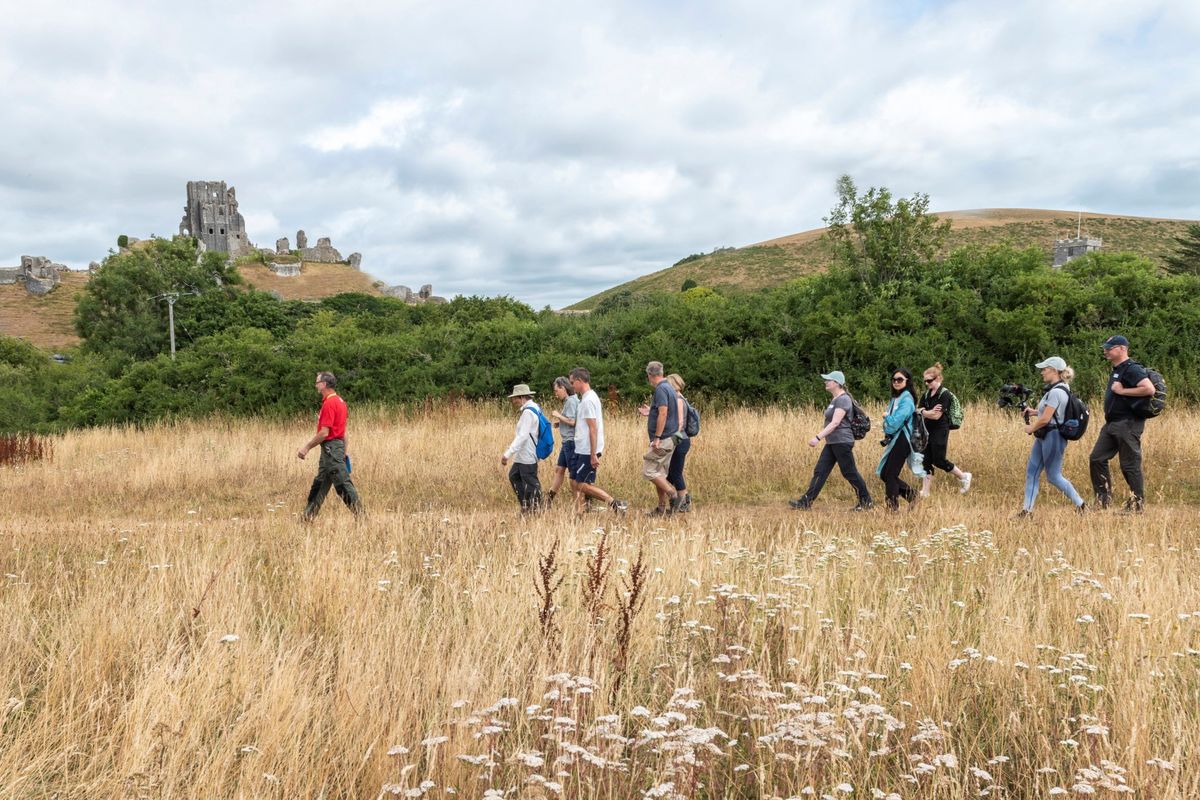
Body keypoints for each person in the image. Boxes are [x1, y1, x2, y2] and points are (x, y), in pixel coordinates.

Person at [789, 371, 874, 511]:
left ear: (836, 383)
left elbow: (835, 423)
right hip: (833, 442)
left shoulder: (843, 399)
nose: (825, 382)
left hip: (842, 441)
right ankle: (806, 502)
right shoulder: (835, 400)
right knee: (820, 471)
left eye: (828, 380)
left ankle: (866, 502)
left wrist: (817, 437)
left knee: (849, 472)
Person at [1089, 335, 1155, 513]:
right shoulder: (1117, 369)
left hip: (1128, 423)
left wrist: (1122, 390)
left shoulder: (1132, 369)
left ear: (1122, 349)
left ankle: (1136, 505)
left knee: (1129, 464)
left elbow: (1149, 389)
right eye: (1106, 348)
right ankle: (1102, 501)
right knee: (1097, 458)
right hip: (1112, 423)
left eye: (1109, 348)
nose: (1106, 350)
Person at [1016, 357, 1088, 517]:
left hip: (1052, 436)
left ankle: (1081, 505)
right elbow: (1051, 413)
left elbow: (1046, 419)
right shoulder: (1061, 388)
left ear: (1054, 371)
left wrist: (1030, 428)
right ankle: (1026, 511)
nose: (1042, 372)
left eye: (1045, 369)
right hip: (1045, 435)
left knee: (1054, 476)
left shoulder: (1055, 392)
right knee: (1032, 472)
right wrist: (1033, 412)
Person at [297, 371, 362, 521]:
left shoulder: (329, 403)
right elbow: (344, 432)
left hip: (331, 448)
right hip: (334, 448)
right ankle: (307, 517)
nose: (316, 385)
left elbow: (324, 433)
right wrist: (344, 451)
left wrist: (306, 448)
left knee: (342, 484)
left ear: (324, 384)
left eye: (317, 382)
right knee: (320, 483)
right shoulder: (340, 402)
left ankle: (362, 518)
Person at [568, 367, 628, 516]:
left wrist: (593, 454)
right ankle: (579, 513)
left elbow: (593, 429)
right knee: (574, 482)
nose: (571, 386)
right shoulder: (588, 397)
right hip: (581, 448)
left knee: (582, 484)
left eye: (572, 382)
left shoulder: (588, 401)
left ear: (579, 381)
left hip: (588, 450)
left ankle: (615, 503)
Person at [918, 362, 972, 496]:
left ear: (937, 378)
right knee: (926, 460)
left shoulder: (945, 394)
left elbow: (936, 416)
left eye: (929, 381)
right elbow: (917, 409)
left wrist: (924, 412)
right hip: (927, 429)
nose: (927, 384)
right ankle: (925, 491)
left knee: (939, 460)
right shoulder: (926, 395)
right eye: (925, 381)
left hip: (940, 429)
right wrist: (926, 412)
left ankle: (964, 476)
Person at [638, 361, 683, 515]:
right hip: (672, 437)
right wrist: (651, 412)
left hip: (663, 438)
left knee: (649, 470)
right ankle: (662, 508)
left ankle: (674, 495)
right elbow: (665, 411)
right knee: (660, 473)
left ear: (649, 375)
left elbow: (663, 413)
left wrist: (657, 437)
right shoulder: (669, 388)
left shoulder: (661, 390)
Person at [876, 368, 921, 511]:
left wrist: (885, 417)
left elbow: (894, 423)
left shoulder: (907, 399)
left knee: (890, 474)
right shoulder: (896, 398)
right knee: (885, 473)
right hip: (897, 439)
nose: (896, 382)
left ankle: (892, 509)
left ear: (907, 381)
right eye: (894, 379)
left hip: (903, 439)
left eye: (900, 379)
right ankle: (911, 494)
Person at [501, 383, 543, 512]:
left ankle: (535, 508)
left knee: (530, 481)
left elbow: (522, 436)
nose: (514, 401)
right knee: (514, 476)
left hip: (527, 453)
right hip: (523, 454)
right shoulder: (534, 408)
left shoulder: (528, 413)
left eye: (515, 398)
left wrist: (508, 454)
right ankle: (526, 505)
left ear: (522, 397)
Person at [545, 377, 578, 509]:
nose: (556, 393)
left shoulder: (570, 401)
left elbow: (572, 421)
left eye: (557, 390)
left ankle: (581, 502)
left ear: (563, 388)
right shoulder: (572, 400)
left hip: (571, 442)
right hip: (567, 442)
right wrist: (560, 423)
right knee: (559, 469)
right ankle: (549, 498)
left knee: (573, 475)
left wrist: (558, 415)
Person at [665, 373, 693, 512]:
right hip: (682, 439)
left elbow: (680, 424)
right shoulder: (681, 398)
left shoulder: (678, 400)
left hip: (679, 440)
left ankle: (683, 501)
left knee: (675, 473)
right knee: (671, 473)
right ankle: (681, 499)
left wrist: (672, 441)